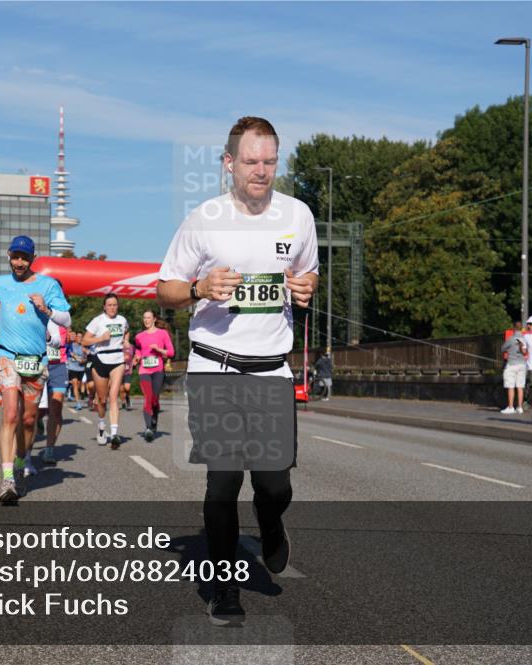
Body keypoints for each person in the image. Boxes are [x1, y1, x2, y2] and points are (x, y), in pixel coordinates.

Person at [156, 116, 319, 627]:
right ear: (229, 163)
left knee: (274, 487)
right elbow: (165, 288)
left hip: (271, 372)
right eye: (250, 161)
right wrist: (200, 288)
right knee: (223, 482)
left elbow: (309, 271)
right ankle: (223, 589)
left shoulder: (298, 215)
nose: (261, 171)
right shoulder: (204, 219)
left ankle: (270, 524)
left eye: (269, 161)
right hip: (215, 368)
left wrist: (307, 285)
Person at [0, 235, 71, 503]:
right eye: (15, 257)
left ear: (32, 259)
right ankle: (7, 480)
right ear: (9, 255)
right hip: (8, 357)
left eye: (24, 258)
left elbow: (66, 319)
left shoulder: (48, 285)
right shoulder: (0, 283)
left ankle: (19, 463)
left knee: (28, 420)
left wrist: (46, 309)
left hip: (36, 360)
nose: (19, 262)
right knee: (10, 415)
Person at [82, 294, 130, 448]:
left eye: (115, 305)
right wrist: (100, 338)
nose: (112, 308)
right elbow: (84, 340)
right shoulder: (97, 321)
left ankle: (114, 434)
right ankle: (102, 426)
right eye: (109, 305)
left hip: (117, 359)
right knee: (102, 400)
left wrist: (126, 341)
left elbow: (126, 331)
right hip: (100, 359)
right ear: (104, 307)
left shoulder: (122, 320)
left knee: (113, 396)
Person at [134, 309, 175, 442]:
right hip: (144, 370)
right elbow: (138, 349)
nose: (146, 320)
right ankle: (148, 428)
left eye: (148, 317)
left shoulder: (162, 334)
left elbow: (171, 352)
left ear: (154, 319)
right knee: (148, 397)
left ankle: (154, 420)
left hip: (158, 370)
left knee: (154, 400)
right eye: (144, 318)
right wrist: (137, 357)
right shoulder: (139, 336)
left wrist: (158, 349)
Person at [40, 318, 70, 465]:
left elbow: (67, 336)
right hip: (37, 363)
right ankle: (37, 420)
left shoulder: (62, 315)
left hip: (58, 364)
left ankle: (49, 448)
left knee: (56, 407)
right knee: (37, 410)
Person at [500, 321, 527, 414]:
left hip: (511, 364)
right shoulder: (524, 339)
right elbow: (525, 351)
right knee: (520, 387)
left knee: (510, 386)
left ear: (514, 328)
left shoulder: (510, 339)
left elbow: (502, 349)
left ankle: (511, 407)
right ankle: (520, 407)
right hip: (522, 364)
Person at [66, 331, 87, 410]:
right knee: (75, 384)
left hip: (81, 368)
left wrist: (83, 360)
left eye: (81, 337)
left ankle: (72, 391)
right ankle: (78, 403)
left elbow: (86, 357)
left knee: (78, 385)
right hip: (72, 368)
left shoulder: (83, 346)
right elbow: (68, 353)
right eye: (78, 337)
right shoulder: (71, 345)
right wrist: (73, 357)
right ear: (75, 338)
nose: (80, 338)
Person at [120, 341, 135, 410]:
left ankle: (127, 398)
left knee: (127, 387)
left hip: (128, 370)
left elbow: (136, 355)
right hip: (119, 371)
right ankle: (123, 402)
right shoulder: (118, 346)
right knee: (121, 389)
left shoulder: (132, 347)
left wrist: (134, 361)